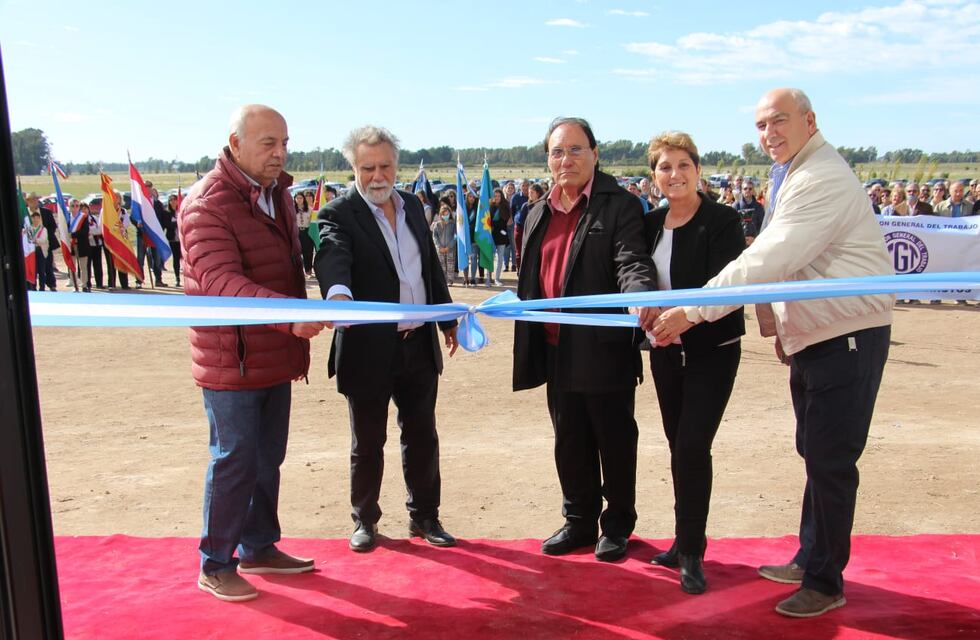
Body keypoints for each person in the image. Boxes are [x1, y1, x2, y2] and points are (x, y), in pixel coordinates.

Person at [647, 88, 893, 618]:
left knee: (830, 459)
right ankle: (811, 558)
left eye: (779, 121)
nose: (769, 133)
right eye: (761, 125)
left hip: (845, 336)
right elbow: (782, 263)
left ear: (810, 120)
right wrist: (781, 326)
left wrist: (692, 310)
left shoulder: (819, 177)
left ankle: (825, 581)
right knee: (815, 451)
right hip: (818, 335)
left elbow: (769, 259)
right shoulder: (794, 173)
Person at [179, 104, 326, 603]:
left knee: (267, 458)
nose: (280, 153)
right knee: (234, 460)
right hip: (231, 360)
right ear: (235, 144)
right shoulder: (206, 204)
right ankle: (216, 563)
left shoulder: (276, 193)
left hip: (274, 353)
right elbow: (220, 281)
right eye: (268, 144)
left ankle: (259, 546)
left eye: (284, 143)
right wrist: (289, 318)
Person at [513, 117, 657, 562]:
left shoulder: (620, 205)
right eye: (557, 152)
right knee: (569, 440)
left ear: (595, 154)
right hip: (555, 349)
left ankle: (617, 525)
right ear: (548, 159)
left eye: (576, 149)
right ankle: (578, 521)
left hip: (604, 351)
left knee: (614, 441)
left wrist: (638, 296)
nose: (566, 159)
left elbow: (631, 260)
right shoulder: (537, 212)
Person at [314, 125, 460, 554]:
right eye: (367, 168)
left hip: (418, 345)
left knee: (422, 435)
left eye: (385, 166)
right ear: (353, 168)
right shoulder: (339, 213)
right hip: (367, 349)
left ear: (397, 166)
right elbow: (333, 254)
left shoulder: (413, 205)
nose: (377, 176)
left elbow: (428, 266)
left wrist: (447, 319)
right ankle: (365, 520)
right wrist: (338, 295)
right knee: (367, 442)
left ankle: (425, 517)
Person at [643, 132, 746, 595]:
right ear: (654, 176)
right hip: (665, 352)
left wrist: (686, 317)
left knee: (691, 446)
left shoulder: (722, 221)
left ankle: (691, 552)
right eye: (665, 167)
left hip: (712, 352)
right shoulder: (649, 223)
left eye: (683, 165)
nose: (675, 174)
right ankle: (683, 538)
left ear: (698, 170)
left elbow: (728, 289)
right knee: (676, 445)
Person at [25, 193, 58, 291]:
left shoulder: (46, 212)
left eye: (35, 199)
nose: (34, 202)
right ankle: (32, 286)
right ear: (27, 201)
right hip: (30, 246)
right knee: (32, 267)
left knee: (48, 266)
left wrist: (45, 235)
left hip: (45, 244)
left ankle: (51, 285)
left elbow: (53, 226)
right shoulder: (25, 214)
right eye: (31, 200)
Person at [67, 198, 92, 292]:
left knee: (83, 267)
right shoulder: (67, 218)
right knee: (72, 267)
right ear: (69, 207)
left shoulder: (84, 217)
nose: (75, 208)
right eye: (72, 206)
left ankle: (84, 285)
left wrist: (73, 235)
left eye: (77, 206)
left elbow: (85, 231)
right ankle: (75, 286)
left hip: (82, 245)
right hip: (71, 246)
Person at [431, 202, 456, 285]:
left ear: (450, 214)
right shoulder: (437, 224)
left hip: (450, 249)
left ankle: (450, 280)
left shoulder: (453, 224)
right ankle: (443, 280)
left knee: (450, 265)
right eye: (444, 214)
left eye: (447, 214)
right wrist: (439, 246)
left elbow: (455, 236)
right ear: (441, 215)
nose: (446, 215)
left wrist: (449, 246)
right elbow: (435, 236)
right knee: (442, 265)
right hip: (440, 249)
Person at [733, 181, 765, 245]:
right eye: (745, 188)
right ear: (742, 190)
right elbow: (733, 226)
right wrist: (741, 238)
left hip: (755, 242)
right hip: (739, 242)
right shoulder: (736, 206)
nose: (747, 190)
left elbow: (762, 225)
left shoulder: (759, 207)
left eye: (750, 189)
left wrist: (755, 239)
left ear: (753, 190)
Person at [490, 187, 511, 286]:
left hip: (501, 235)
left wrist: (494, 224)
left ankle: (497, 278)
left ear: (501, 196)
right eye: (495, 196)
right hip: (491, 235)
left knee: (500, 259)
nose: (497, 197)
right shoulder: (490, 207)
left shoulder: (505, 207)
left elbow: (504, 222)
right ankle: (489, 277)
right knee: (490, 257)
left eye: (499, 196)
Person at [26, 210, 49, 291]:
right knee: (33, 270)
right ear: (31, 219)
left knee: (41, 271)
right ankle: (33, 287)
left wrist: (35, 240)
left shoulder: (43, 229)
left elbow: (43, 240)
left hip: (40, 251)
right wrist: (34, 240)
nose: (35, 220)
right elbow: (28, 240)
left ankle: (42, 288)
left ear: (39, 219)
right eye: (34, 218)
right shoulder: (29, 229)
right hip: (32, 252)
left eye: (37, 218)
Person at [163, 194, 182, 287]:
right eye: (171, 200)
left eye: (175, 199)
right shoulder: (166, 213)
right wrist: (177, 223)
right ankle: (177, 278)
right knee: (176, 258)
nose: (173, 202)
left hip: (182, 239)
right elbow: (167, 225)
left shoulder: (181, 211)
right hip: (173, 239)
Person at [294, 191, 314, 276]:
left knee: (307, 251)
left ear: (303, 199)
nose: (299, 200)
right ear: (295, 199)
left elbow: (313, 221)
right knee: (296, 252)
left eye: (301, 198)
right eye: (297, 198)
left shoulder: (309, 209)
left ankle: (308, 270)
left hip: (306, 231)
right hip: (296, 232)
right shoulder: (291, 209)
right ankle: (298, 271)